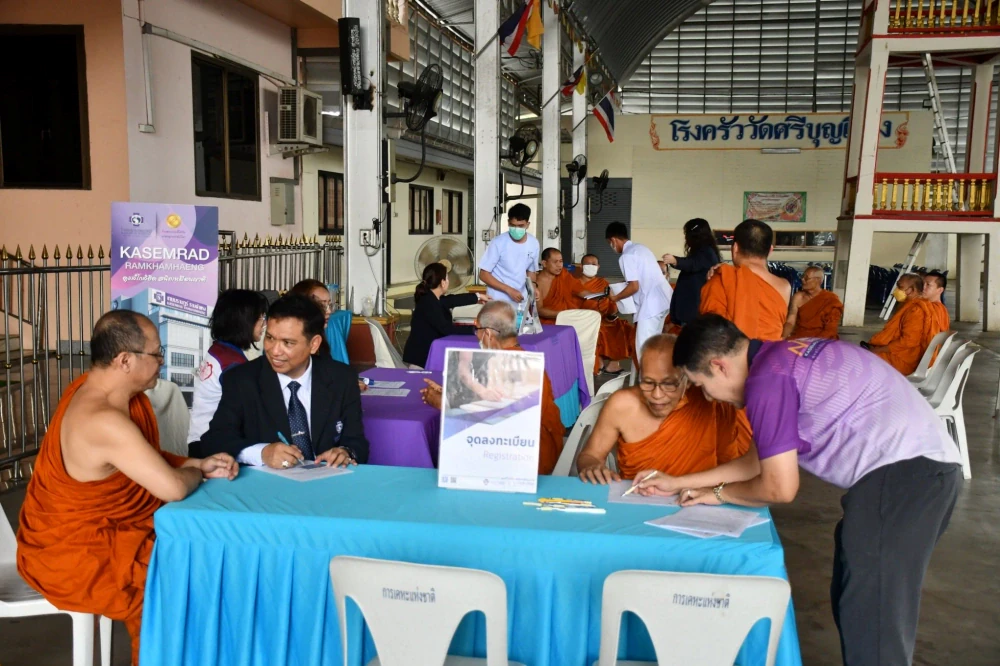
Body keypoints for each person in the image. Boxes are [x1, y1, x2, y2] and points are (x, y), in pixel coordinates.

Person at [635, 314, 961, 666]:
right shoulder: (780, 358)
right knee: (856, 601)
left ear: (719, 366)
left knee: (873, 621)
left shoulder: (767, 380)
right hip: (923, 472)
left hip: (904, 478)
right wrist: (679, 482)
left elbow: (779, 487)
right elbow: (758, 461)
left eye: (701, 385)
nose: (709, 397)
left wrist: (719, 495)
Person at [17, 310, 238, 666]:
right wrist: (193, 475)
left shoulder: (98, 390)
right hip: (76, 553)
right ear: (124, 360)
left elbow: (141, 457)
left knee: (198, 560)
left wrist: (194, 463)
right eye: (156, 354)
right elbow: (173, 490)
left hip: (107, 533)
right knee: (177, 583)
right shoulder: (102, 418)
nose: (162, 363)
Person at [198, 293, 370, 468]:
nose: (274, 351)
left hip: (326, 484)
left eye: (288, 343)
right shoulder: (242, 380)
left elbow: (357, 442)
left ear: (314, 344)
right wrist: (262, 453)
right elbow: (213, 441)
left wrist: (345, 452)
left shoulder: (341, 378)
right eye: (270, 338)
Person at [576, 334, 750, 483]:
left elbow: (729, 464)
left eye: (669, 384)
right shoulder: (622, 405)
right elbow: (590, 455)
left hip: (698, 500)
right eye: (648, 383)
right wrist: (592, 467)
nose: (657, 395)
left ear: (688, 380)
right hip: (638, 500)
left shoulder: (712, 403)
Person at [420, 300, 565, 474]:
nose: (476, 336)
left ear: (488, 333)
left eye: (477, 330)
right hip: (540, 447)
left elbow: (498, 422)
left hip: (525, 461)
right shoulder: (523, 360)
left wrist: (444, 404)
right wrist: (449, 392)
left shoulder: (509, 365)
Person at [187, 289, 269, 447]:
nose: (264, 325)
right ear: (245, 321)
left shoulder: (219, 350)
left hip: (200, 439)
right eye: (261, 318)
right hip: (212, 445)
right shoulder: (231, 364)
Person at [536, 249, 635, 374]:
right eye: (555, 262)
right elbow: (539, 311)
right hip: (550, 321)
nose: (559, 265)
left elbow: (582, 292)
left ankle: (603, 364)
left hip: (570, 317)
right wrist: (565, 315)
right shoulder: (538, 282)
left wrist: (600, 296)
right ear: (544, 263)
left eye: (561, 261)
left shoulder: (564, 275)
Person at [699, 218, 791, 340]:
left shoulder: (721, 278)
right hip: (769, 357)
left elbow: (711, 332)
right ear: (770, 250)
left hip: (730, 357)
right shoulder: (785, 286)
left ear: (735, 248)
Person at [605, 222, 673, 361]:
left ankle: (647, 381)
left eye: (609, 243)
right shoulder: (641, 248)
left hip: (651, 307)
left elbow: (634, 286)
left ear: (613, 240)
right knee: (654, 347)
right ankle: (655, 379)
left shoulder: (626, 256)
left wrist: (616, 298)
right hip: (663, 302)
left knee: (644, 350)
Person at [403, 262, 486, 368]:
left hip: (426, 356)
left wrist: (478, 296)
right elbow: (446, 329)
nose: (448, 281)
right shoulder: (428, 302)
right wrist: (475, 330)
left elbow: (452, 300)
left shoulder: (432, 298)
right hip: (421, 361)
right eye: (447, 278)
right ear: (442, 282)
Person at [864, 273, 942, 376]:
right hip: (903, 353)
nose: (896, 290)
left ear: (912, 290)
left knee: (866, 360)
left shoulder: (916, 310)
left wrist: (880, 349)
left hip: (908, 361)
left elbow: (909, 341)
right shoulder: (909, 305)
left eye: (900, 287)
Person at [574, 254, 636, 374]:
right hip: (583, 318)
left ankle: (614, 363)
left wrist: (612, 312)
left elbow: (610, 304)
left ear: (598, 267)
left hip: (603, 317)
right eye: (588, 264)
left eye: (594, 264)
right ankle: (599, 361)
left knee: (623, 327)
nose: (591, 267)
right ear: (581, 266)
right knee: (599, 330)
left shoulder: (603, 283)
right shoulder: (573, 283)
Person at [662, 218, 722, 328]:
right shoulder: (703, 251)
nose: (685, 238)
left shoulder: (706, 252)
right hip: (692, 312)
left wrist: (675, 261)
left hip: (695, 311)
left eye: (686, 234)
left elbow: (692, 264)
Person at [478, 203, 540, 304]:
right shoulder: (498, 243)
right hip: (498, 299)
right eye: (513, 225)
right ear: (508, 222)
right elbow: (483, 274)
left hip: (521, 300)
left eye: (520, 226)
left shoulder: (534, 243)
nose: (516, 229)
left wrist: (533, 288)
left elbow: (531, 271)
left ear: (527, 224)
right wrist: (508, 290)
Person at [783, 266, 843, 340]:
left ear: (818, 280)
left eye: (806, 278)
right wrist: (783, 338)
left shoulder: (831, 300)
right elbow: (790, 322)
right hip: (799, 338)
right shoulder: (798, 297)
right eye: (802, 276)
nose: (802, 280)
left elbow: (830, 330)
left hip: (823, 340)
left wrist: (813, 343)